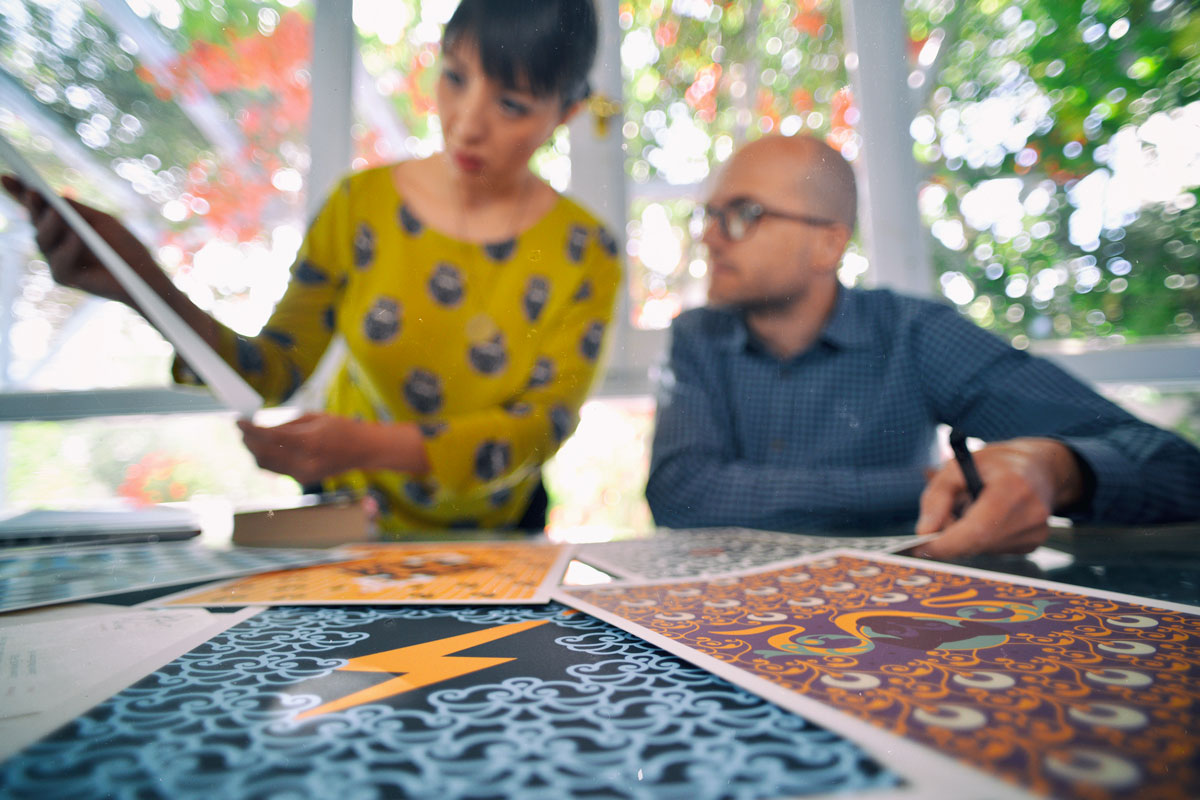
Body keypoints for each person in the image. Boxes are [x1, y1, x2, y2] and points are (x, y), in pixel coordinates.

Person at [3, 0, 620, 534]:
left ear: (565, 113)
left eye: (511, 104)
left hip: (501, 538)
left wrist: (364, 444)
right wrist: (142, 285)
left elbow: (540, 428)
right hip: (348, 522)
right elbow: (274, 369)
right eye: (455, 77)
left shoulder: (586, 251)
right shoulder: (361, 208)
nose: (466, 122)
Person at [645, 134, 1200, 559]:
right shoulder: (698, 336)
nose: (710, 236)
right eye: (710, 215)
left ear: (828, 244)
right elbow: (681, 493)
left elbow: (1171, 466)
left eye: (743, 215)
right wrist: (932, 485)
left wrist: (1058, 468)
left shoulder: (914, 333)